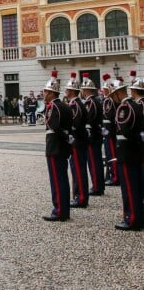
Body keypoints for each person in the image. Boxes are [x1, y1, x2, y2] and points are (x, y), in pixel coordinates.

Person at [111, 75, 143, 230]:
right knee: (136, 186)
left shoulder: (125, 108)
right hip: (135, 151)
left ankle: (132, 219)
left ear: (118, 93)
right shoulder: (136, 105)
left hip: (127, 152)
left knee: (129, 188)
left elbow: (125, 131)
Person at [42, 71, 72, 222]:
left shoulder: (52, 107)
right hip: (63, 147)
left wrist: (64, 136)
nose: (44, 94)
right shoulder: (66, 106)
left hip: (54, 147)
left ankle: (59, 210)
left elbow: (53, 125)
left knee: (57, 180)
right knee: (63, 179)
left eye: (46, 91)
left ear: (51, 93)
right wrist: (67, 138)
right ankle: (64, 209)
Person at [65, 72, 90, 209]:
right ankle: (79, 195)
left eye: (67, 90)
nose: (65, 91)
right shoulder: (77, 103)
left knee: (78, 170)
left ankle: (80, 198)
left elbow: (74, 124)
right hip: (80, 140)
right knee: (78, 169)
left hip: (77, 141)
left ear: (71, 91)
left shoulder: (75, 105)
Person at [81, 73, 105, 196]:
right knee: (96, 161)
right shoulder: (95, 101)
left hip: (93, 136)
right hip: (96, 134)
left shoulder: (91, 102)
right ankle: (99, 185)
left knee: (94, 162)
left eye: (83, 89)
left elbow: (89, 119)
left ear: (86, 90)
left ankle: (97, 186)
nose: (82, 91)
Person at [101, 73, 120, 186]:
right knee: (109, 154)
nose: (103, 91)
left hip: (111, 131)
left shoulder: (110, 101)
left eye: (105, 89)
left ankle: (115, 177)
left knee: (112, 155)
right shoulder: (107, 100)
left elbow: (110, 116)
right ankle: (112, 174)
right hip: (106, 130)